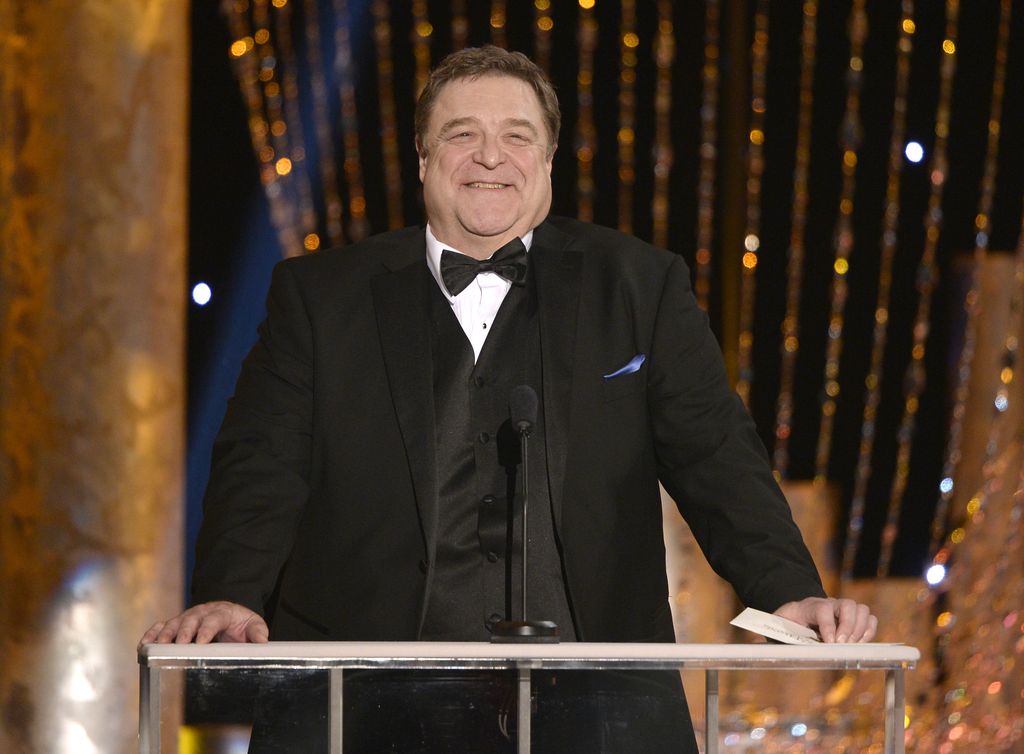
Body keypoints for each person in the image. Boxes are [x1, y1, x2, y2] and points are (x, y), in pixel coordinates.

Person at [144, 46, 877, 751]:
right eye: (462, 135)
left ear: (548, 159)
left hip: (595, 709)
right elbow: (262, 464)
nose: (490, 157)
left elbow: (715, 453)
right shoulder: (320, 296)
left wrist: (788, 591)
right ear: (423, 158)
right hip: (361, 704)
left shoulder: (639, 286)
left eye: (516, 137)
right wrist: (231, 592)